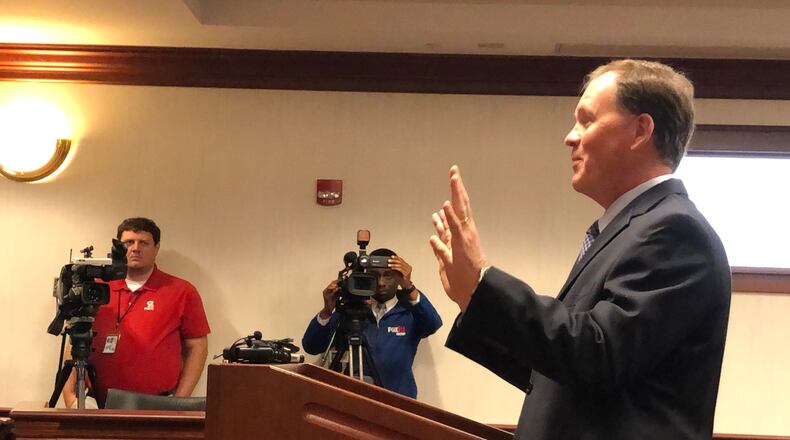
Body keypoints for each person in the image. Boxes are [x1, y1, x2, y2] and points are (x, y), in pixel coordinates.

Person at [429, 60, 731, 439]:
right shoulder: (625, 230)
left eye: (587, 120)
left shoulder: (675, 230)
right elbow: (557, 372)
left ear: (641, 130)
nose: (570, 137)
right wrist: (475, 301)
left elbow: (599, 355)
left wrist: (485, 285)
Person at [63, 217, 210, 408]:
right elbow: (75, 339)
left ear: (156, 248)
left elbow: (198, 348)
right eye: (128, 242)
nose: (135, 248)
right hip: (97, 404)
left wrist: (179, 402)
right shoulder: (95, 290)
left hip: (157, 405)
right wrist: (70, 395)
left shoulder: (182, 291)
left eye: (144, 243)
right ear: (119, 247)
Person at [302, 248, 442, 399]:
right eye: (374, 276)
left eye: (388, 275)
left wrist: (409, 286)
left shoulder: (409, 311)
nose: (381, 283)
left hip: (398, 402)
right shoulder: (351, 310)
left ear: (398, 277)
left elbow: (432, 324)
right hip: (353, 400)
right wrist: (327, 311)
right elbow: (311, 346)